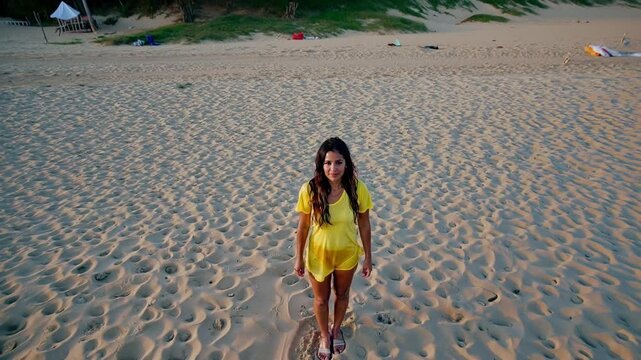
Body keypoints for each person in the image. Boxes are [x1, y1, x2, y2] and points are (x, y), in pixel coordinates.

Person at [294, 137, 373, 360]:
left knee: (342, 294)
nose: (333, 168)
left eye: (338, 162)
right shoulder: (309, 189)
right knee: (321, 299)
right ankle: (324, 336)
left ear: (346, 163)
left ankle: (336, 329)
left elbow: (365, 224)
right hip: (319, 256)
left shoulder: (357, 189)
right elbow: (303, 226)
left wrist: (368, 257)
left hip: (347, 255)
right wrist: (298, 258)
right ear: (321, 165)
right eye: (328, 163)